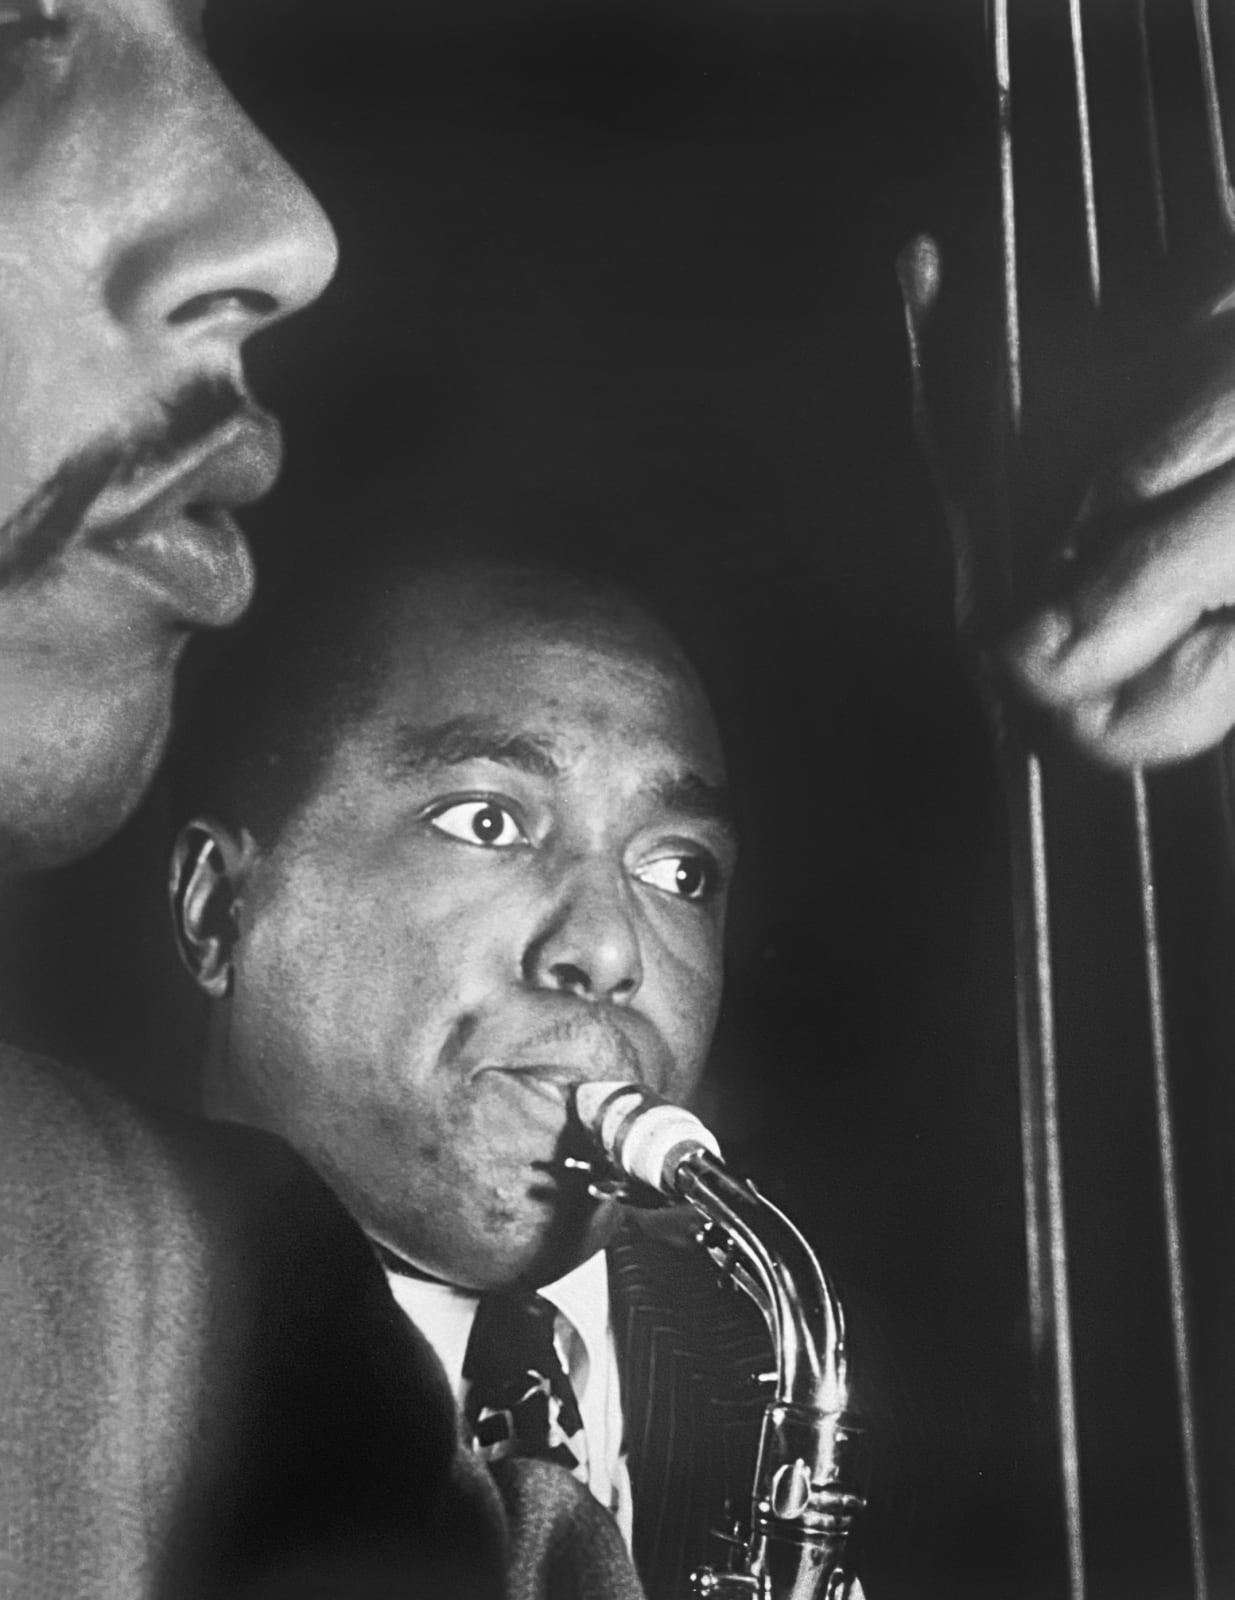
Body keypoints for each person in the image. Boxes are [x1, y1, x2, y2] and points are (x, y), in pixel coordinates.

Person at [0, 7, 639, 1596]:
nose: (286, 229)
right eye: (14, 29)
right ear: (215, 906)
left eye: (683, 866)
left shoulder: (186, 1294)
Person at [166, 530, 803, 1600]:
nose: (607, 951)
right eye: (487, 820)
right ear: (221, 909)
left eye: (677, 869)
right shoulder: (58, 1366)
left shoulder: (844, 1389)